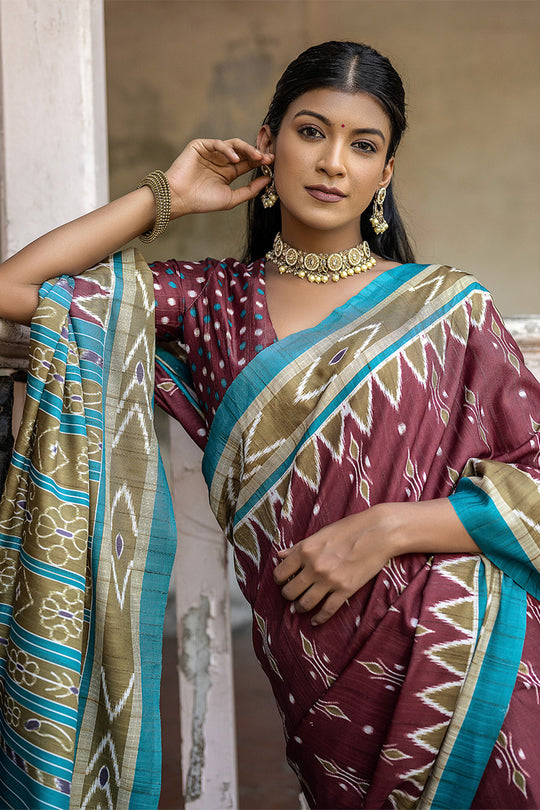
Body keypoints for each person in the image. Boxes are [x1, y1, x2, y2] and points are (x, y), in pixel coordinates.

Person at [0, 39, 539, 809]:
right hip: (316, 675)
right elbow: (14, 287)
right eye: (311, 132)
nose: (332, 163)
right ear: (268, 143)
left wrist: (389, 527)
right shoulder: (208, 302)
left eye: (363, 145)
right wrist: (170, 196)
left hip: (467, 651)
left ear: (385, 174)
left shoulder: (446, 308)